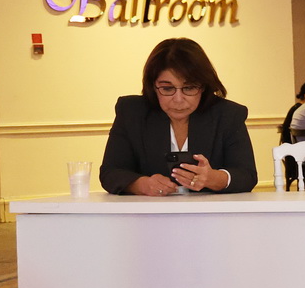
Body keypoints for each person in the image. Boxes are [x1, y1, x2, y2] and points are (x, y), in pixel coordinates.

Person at [99, 37, 257, 195]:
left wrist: (213, 178)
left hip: (211, 210)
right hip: (149, 210)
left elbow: (246, 175)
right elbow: (111, 172)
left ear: (203, 87)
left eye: (189, 88)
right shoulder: (132, 112)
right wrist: (142, 185)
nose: (178, 99)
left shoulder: (228, 114)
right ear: (153, 86)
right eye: (167, 89)